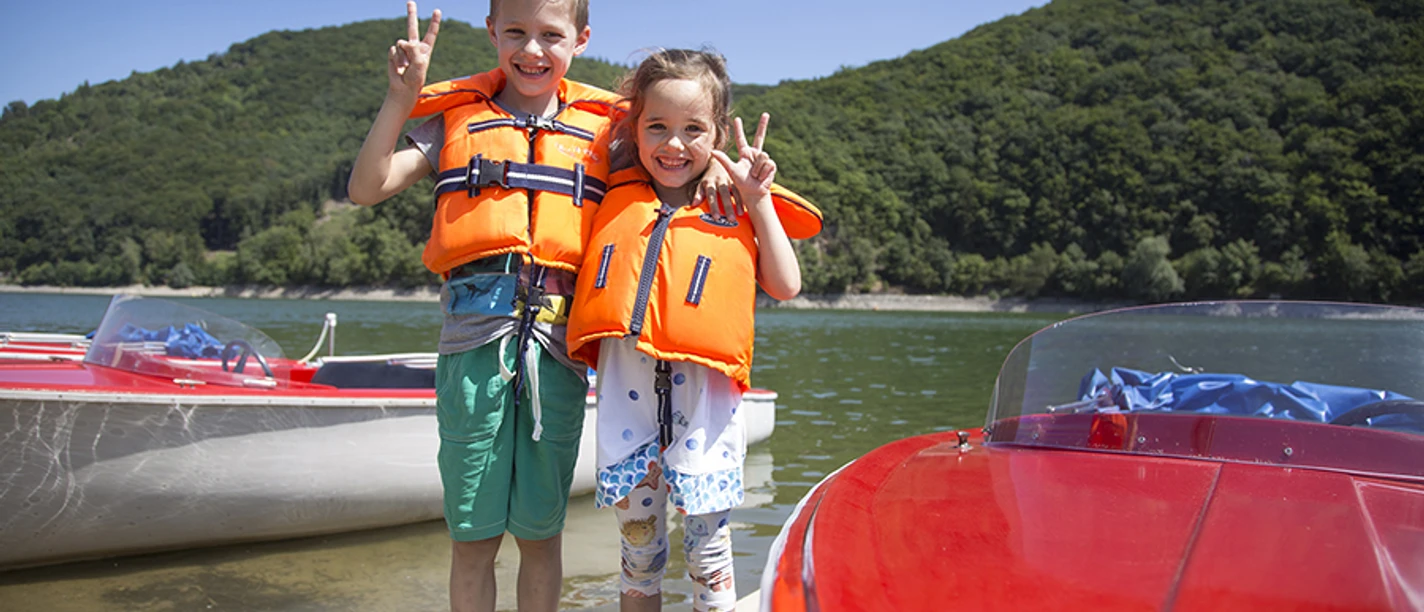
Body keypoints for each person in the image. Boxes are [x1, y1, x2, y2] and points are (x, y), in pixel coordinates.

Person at [347, 3, 737, 611]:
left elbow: (674, 151)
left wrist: (714, 165)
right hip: (473, 344)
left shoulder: (606, 133)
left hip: (556, 353)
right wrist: (401, 97)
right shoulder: (455, 116)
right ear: (492, 34)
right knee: (472, 539)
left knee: (540, 534)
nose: (533, 49)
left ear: (579, 40)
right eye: (517, 33)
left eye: (550, 35)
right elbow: (366, 187)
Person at [565, 49, 823, 611]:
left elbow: (786, 284)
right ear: (635, 128)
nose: (673, 144)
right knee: (638, 560)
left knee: (710, 558)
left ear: (717, 136)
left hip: (704, 415)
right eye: (656, 126)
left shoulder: (733, 203)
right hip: (629, 415)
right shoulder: (615, 192)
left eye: (693, 130)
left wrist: (757, 202)